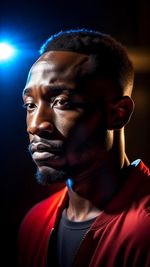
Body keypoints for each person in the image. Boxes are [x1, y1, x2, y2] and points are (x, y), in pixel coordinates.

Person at [18, 29, 150, 267]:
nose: (36, 125)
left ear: (117, 114)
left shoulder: (144, 229)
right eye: (30, 105)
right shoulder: (34, 223)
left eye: (61, 102)